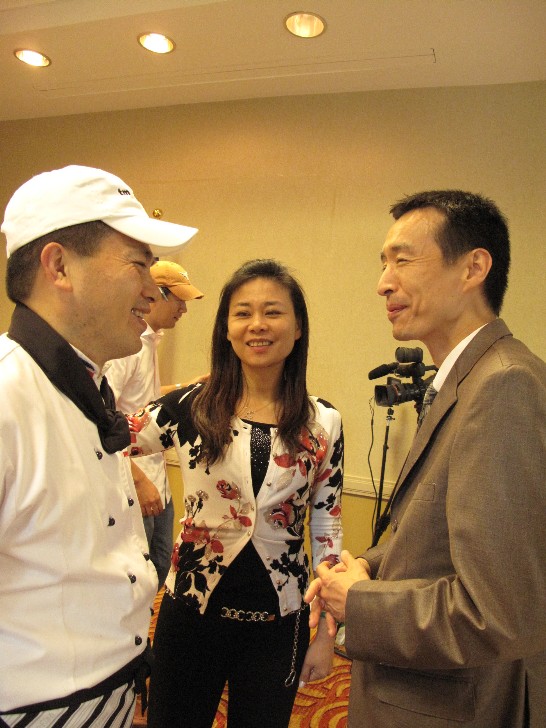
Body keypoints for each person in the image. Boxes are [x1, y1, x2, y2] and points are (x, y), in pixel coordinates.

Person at [306, 190, 546, 728]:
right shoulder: (467, 378)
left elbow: (497, 612)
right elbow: (436, 531)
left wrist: (360, 601)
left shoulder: (503, 385)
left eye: (403, 259)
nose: (383, 282)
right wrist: (369, 563)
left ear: (473, 268)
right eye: (383, 262)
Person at [0, 164, 198, 726]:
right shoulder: (5, 394)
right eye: (138, 263)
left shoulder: (90, 384)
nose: (153, 289)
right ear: (59, 266)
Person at [127, 258, 344, 728]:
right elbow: (108, 440)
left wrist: (326, 633)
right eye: (242, 313)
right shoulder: (191, 406)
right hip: (190, 612)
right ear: (226, 329)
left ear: (298, 327)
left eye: (273, 312)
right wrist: (137, 478)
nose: (257, 325)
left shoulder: (323, 421)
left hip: (279, 622)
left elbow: (328, 524)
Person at [107, 260, 204, 589]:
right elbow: (103, 417)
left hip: (156, 479)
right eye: (180, 301)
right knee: (139, 577)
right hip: (136, 482)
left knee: (160, 567)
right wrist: (138, 480)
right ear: (156, 294)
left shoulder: (147, 343)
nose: (184, 310)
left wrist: (183, 389)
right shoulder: (127, 348)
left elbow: (140, 399)